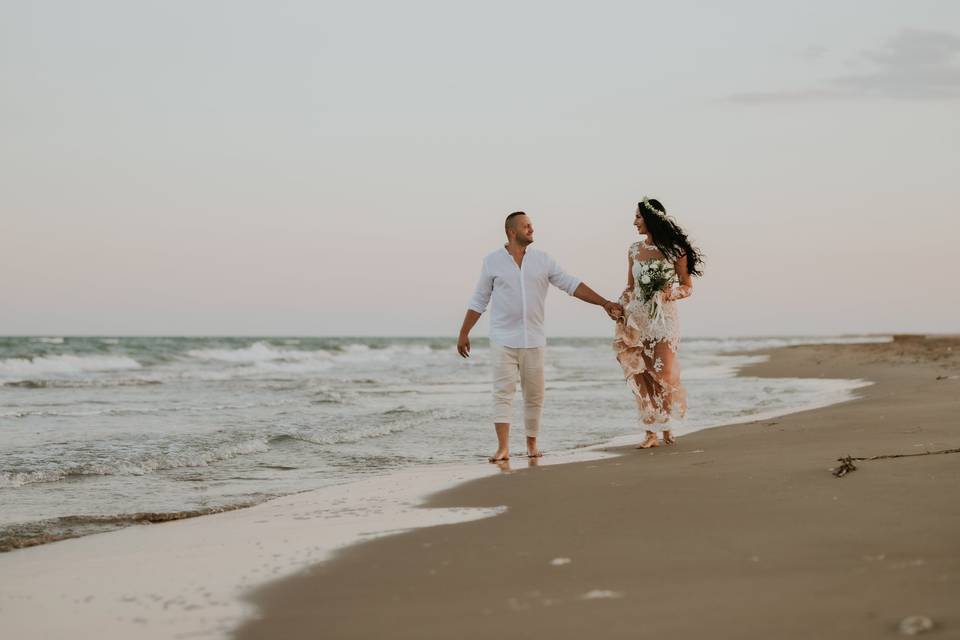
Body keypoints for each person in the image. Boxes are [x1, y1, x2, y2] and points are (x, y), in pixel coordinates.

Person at [458, 211, 622, 462]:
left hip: (534, 338)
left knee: (535, 395)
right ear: (511, 232)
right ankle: (503, 448)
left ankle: (532, 446)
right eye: (526, 226)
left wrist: (604, 303)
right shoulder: (492, 261)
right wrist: (464, 332)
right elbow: (479, 299)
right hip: (502, 339)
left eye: (531, 225)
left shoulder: (543, 260)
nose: (531, 229)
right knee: (502, 393)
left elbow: (571, 284)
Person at [614, 197, 703, 449]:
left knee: (662, 373)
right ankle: (651, 431)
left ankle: (665, 424)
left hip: (664, 319)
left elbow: (687, 287)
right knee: (642, 374)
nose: (634, 222)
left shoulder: (676, 250)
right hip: (637, 319)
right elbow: (630, 288)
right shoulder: (634, 250)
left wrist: (668, 293)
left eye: (638, 217)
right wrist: (619, 306)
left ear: (651, 219)